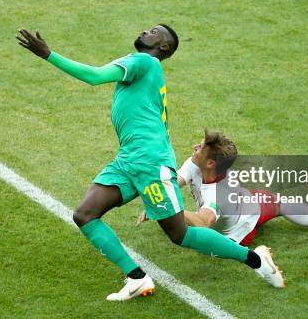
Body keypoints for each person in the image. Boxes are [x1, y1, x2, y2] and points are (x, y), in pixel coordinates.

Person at [15, 26, 285, 302]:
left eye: (155, 32)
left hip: (149, 162)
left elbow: (95, 77)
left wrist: (48, 55)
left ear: (163, 47)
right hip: (129, 159)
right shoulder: (147, 71)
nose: (146, 30)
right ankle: (137, 277)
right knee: (85, 214)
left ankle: (256, 260)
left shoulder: (143, 62)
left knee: (180, 234)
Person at [138, 129, 308, 247]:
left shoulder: (217, 196)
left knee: (277, 203)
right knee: (279, 203)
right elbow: (177, 180)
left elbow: (203, 221)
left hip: (240, 228)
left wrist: (167, 209)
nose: (194, 148)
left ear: (211, 162)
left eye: (199, 148)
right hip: (240, 204)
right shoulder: (197, 163)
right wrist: (158, 195)